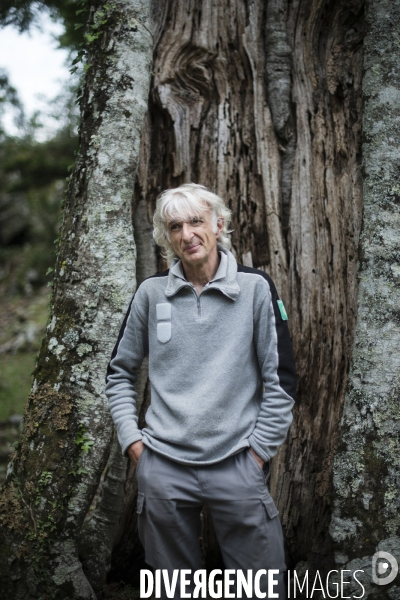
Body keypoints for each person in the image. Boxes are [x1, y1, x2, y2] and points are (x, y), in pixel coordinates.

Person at [105, 183, 296, 599]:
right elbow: (119, 374)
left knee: (261, 589)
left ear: (219, 225)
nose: (187, 234)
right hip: (164, 467)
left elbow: (281, 379)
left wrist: (258, 452)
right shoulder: (151, 294)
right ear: (166, 236)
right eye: (176, 226)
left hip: (238, 464)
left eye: (196, 221)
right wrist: (134, 444)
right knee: (174, 590)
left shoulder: (256, 289)